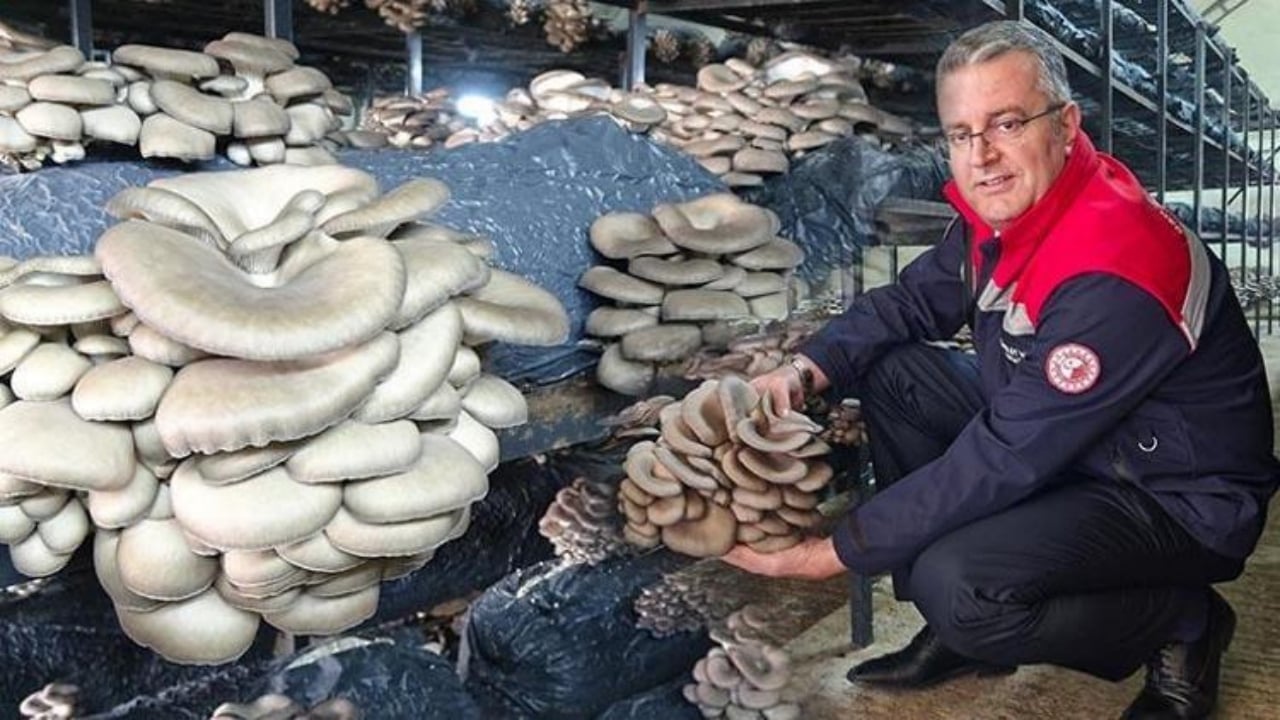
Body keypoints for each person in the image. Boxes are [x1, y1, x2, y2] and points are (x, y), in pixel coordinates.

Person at [724, 20, 1279, 720]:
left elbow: (1008, 454)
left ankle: (1184, 626)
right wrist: (804, 371)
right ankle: (962, 638)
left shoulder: (1116, 262)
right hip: (1080, 445)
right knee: (897, 373)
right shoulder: (1005, 217)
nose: (981, 156)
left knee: (962, 585)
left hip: (1175, 494)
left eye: (1007, 123)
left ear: (1066, 126)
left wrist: (836, 550)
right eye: (961, 134)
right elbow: (908, 304)